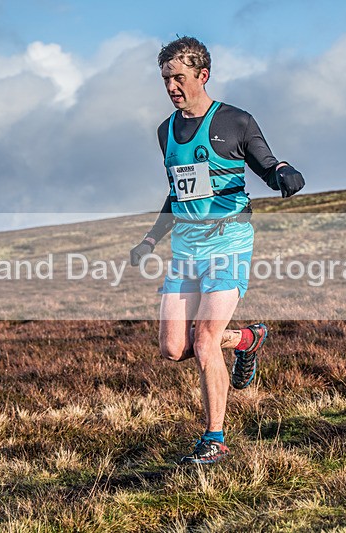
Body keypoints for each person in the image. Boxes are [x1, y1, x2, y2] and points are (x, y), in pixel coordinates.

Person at [129, 36, 305, 465]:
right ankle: (247, 339)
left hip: (228, 241)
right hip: (186, 247)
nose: (171, 87)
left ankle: (214, 440)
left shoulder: (236, 121)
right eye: (166, 79)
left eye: (179, 78)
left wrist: (283, 173)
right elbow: (177, 194)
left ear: (202, 76)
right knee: (174, 348)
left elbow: (266, 163)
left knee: (205, 341)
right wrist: (152, 239)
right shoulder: (165, 132)